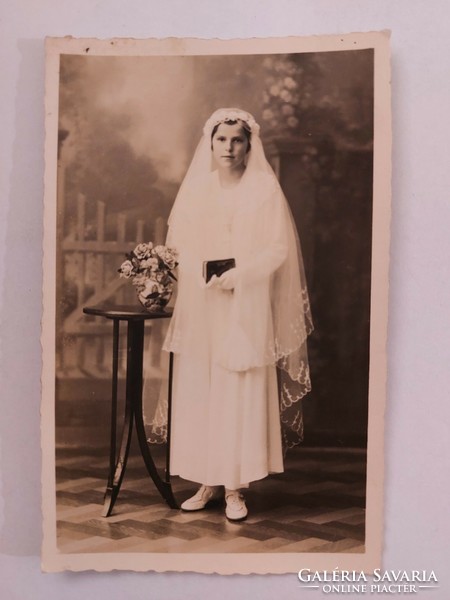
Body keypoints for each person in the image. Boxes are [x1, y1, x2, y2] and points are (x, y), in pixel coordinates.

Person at [162, 108, 313, 521]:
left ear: (249, 145)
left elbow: (278, 248)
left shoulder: (263, 189)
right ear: (210, 143)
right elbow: (180, 244)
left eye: (237, 140)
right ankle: (207, 480)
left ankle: (234, 488)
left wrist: (240, 275)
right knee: (203, 387)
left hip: (245, 304)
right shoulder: (198, 189)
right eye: (221, 140)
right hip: (204, 303)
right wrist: (202, 275)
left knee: (237, 388)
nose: (228, 148)